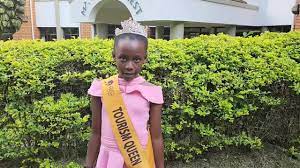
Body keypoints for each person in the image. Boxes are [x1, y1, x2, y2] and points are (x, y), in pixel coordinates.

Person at [85, 18, 164, 168]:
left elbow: (156, 138)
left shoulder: (152, 92)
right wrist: (88, 165)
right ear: (113, 56)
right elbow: (95, 133)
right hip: (108, 159)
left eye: (136, 59)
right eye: (123, 58)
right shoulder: (101, 89)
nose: (129, 66)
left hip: (138, 158)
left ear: (144, 59)